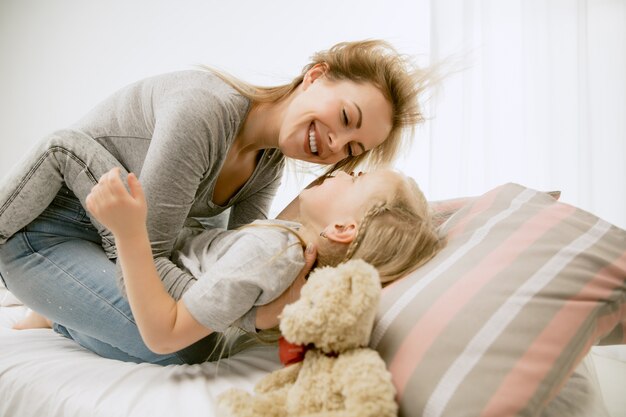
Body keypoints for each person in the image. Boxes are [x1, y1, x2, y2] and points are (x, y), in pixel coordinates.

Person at [0, 39, 434, 364]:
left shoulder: (268, 163)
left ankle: (60, 314)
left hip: (110, 245)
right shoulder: (203, 111)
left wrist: (272, 298)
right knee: (184, 343)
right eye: (345, 118)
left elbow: (239, 250)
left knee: (197, 336)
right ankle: (53, 306)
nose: (336, 145)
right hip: (47, 232)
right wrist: (219, 309)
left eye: (353, 150)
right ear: (316, 77)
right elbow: (149, 256)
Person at [16, 166, 444, 362]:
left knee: (174, 348)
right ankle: (59, 318)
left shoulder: (274, 250)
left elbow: (166, 335)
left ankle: (58, 319)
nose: (343, 171)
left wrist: (130, 232)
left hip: (153, 300)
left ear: (344, 227)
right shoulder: (290, 252)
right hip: (178, 303)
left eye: (358, 178)